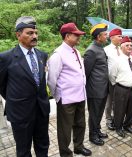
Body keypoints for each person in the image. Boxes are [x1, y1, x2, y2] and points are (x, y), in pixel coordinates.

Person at [0, 16, 50, 157]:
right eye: (29, 33)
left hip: (41, 110)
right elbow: (2, 86)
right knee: (23, 151)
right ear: (18, 35)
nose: (34, 36)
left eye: (35, 33)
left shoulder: (42, 55)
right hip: (20, 114)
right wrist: (17, 99)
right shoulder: (6, 58)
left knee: (43, 145)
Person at [47, 23, 92, 156]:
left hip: (80, 96)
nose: (79, 37)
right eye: (76, 35)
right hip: (66, 99)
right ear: (67, 36)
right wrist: (58, 96)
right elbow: (51, 80)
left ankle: (78, 146)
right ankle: (66, 153)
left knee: (80, 124)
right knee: (65, 129)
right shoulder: (58, 55)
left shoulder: (76, 51)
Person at [84, 23, 109, 146]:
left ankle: (97, 131)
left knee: (99, 113)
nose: (107, 36)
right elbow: (86, 73)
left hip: (103, 88)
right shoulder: (91, 50)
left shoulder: (100, 47)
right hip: (95, 90)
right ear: (98, 36)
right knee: (94, 114)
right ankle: (92, 136)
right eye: (105, 34)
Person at [109, 36, 132, 137]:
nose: (130, 47)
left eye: (131, 45)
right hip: (121, 89)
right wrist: (119, 84)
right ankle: (118, 127)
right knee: (119, 109)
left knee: (131, 109)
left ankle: (127, 125)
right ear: (121, 47)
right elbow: (112, 75)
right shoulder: (117, 60)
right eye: (127, 45)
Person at [104, 28, 122, 131]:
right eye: (119, 36)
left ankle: (117, 118)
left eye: (121, 36)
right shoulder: (106, 50)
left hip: (120, 80)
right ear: (112, 37)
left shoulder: (121, 49)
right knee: (109, 101)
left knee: (118, 101)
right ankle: (108, 119)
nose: (121, 38)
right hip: (110, 80)